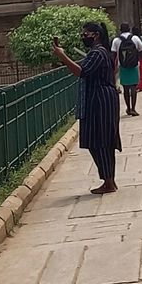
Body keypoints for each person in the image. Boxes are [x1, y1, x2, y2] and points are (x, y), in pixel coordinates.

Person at [53, 21, 120, 193]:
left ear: (95, 35)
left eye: (86, 34)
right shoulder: (98, 52)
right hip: (99, 98)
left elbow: (82, 72)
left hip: (100, 100)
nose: (83, 37)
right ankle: (108, 179)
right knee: (98, 140)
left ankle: (109, 181)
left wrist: (63, 57)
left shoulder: (97, 53)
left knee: (100, 141)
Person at [112, 21, 142, 116]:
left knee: (126, 88)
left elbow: (113, 54)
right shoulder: (135, 38)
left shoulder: (116, 40)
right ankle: (134, 108)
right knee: (133, 88)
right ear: (129, 29)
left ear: (120, 30)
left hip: (122, 66)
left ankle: (128, 108)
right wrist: (136, 58)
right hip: (134, 66)